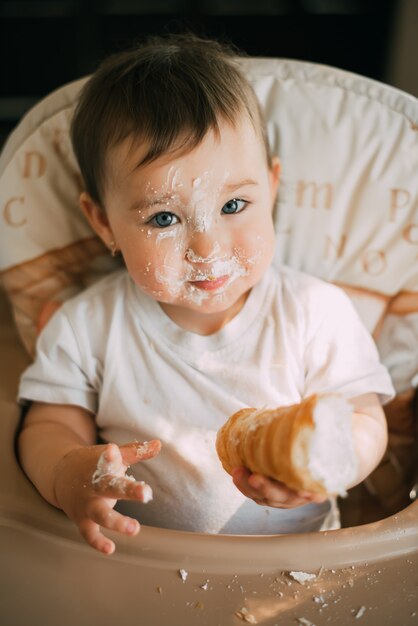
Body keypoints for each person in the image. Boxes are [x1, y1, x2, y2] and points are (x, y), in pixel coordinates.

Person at [17, 34, 394, 556]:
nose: (207, 246)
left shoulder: (314, 312)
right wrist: (66, 472)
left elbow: (363, 416)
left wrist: (336, 462)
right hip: (134, 566)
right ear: (103, 222)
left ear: (273, 186)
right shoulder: (88, 326)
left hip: (299, 567)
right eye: (164, 218)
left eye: (234, 205)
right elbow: (49, 424)